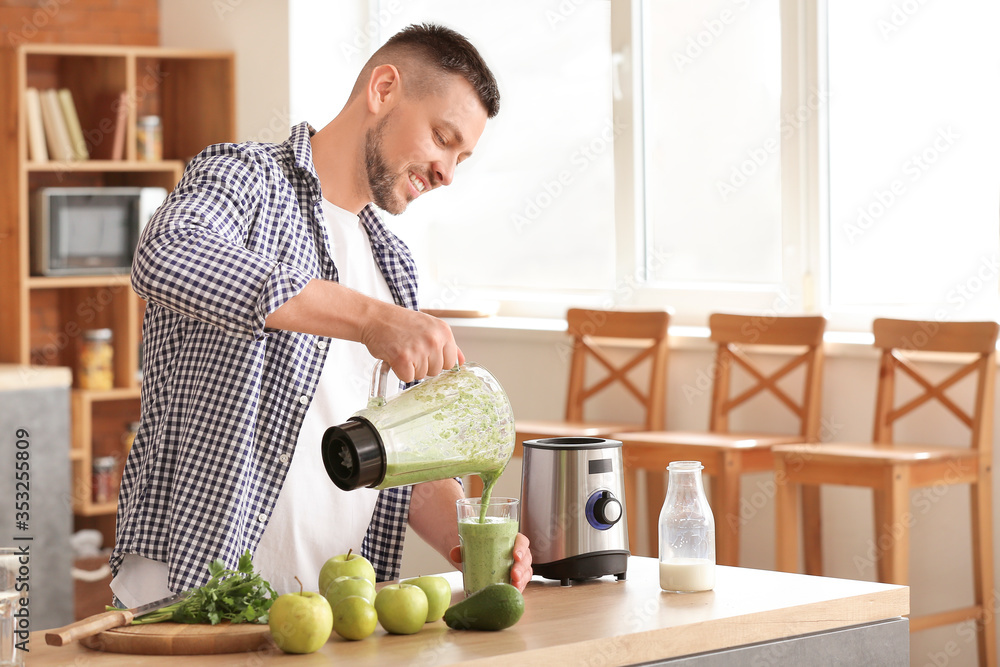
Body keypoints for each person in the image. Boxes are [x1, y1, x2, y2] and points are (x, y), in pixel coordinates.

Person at [109, 23, 532, 606]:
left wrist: (464, 531)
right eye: (441, 137)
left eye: (461, 158)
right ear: (383, 89)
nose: (447, 174)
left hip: (328, 612)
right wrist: (369, 320)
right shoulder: (244, 179)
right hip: (190, 595)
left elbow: (396, 453)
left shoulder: (395, 266)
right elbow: (166, 255)